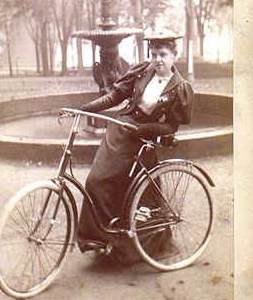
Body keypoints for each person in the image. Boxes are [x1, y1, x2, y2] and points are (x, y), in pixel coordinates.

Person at [77, 30, 194, 264]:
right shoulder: (143, 70)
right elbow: (115, 96)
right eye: (154, 54)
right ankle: (99, 237)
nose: (157, 60)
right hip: (121, 131)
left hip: (144, 138)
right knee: (96, 180)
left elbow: (170, 127)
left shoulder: (180, 87)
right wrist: (86, 108)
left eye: (163, 54)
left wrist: (144, 130)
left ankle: (135, 245)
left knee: (134, 191)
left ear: (174, 56)